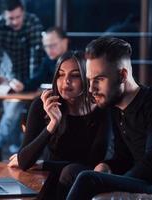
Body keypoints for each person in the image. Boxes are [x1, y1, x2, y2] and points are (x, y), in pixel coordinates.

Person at [66, 37, 152, 200]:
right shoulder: (116, 107)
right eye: (90, 80)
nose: (91, 89)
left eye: (99, 79)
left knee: (87, 179)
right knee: (71, 172)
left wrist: (108, 182)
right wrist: (107, 167)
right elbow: (123, 158)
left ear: (122, 75)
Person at [8, 51, 111, 199]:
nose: (66, 81)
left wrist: (46, 164)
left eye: (74, 75)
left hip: (79, 180)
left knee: (70, 171)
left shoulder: (102, 110)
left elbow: (92, 164)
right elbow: (24, 161)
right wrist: (52, 124)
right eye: (61, 75)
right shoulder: (42, 105)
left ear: (87, 79)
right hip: (49, 180)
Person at [0, 0, 43, 161]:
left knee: (15, 116)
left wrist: (30, 84)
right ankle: (8, 149)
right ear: (4, 16)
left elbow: (35, 55)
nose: (15, 21)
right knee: (12, 115)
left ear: (23, 12)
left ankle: (3, 146)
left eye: (18, 17)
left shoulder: (33, 22)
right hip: (9, 76)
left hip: (30, 75)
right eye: (11, 18)